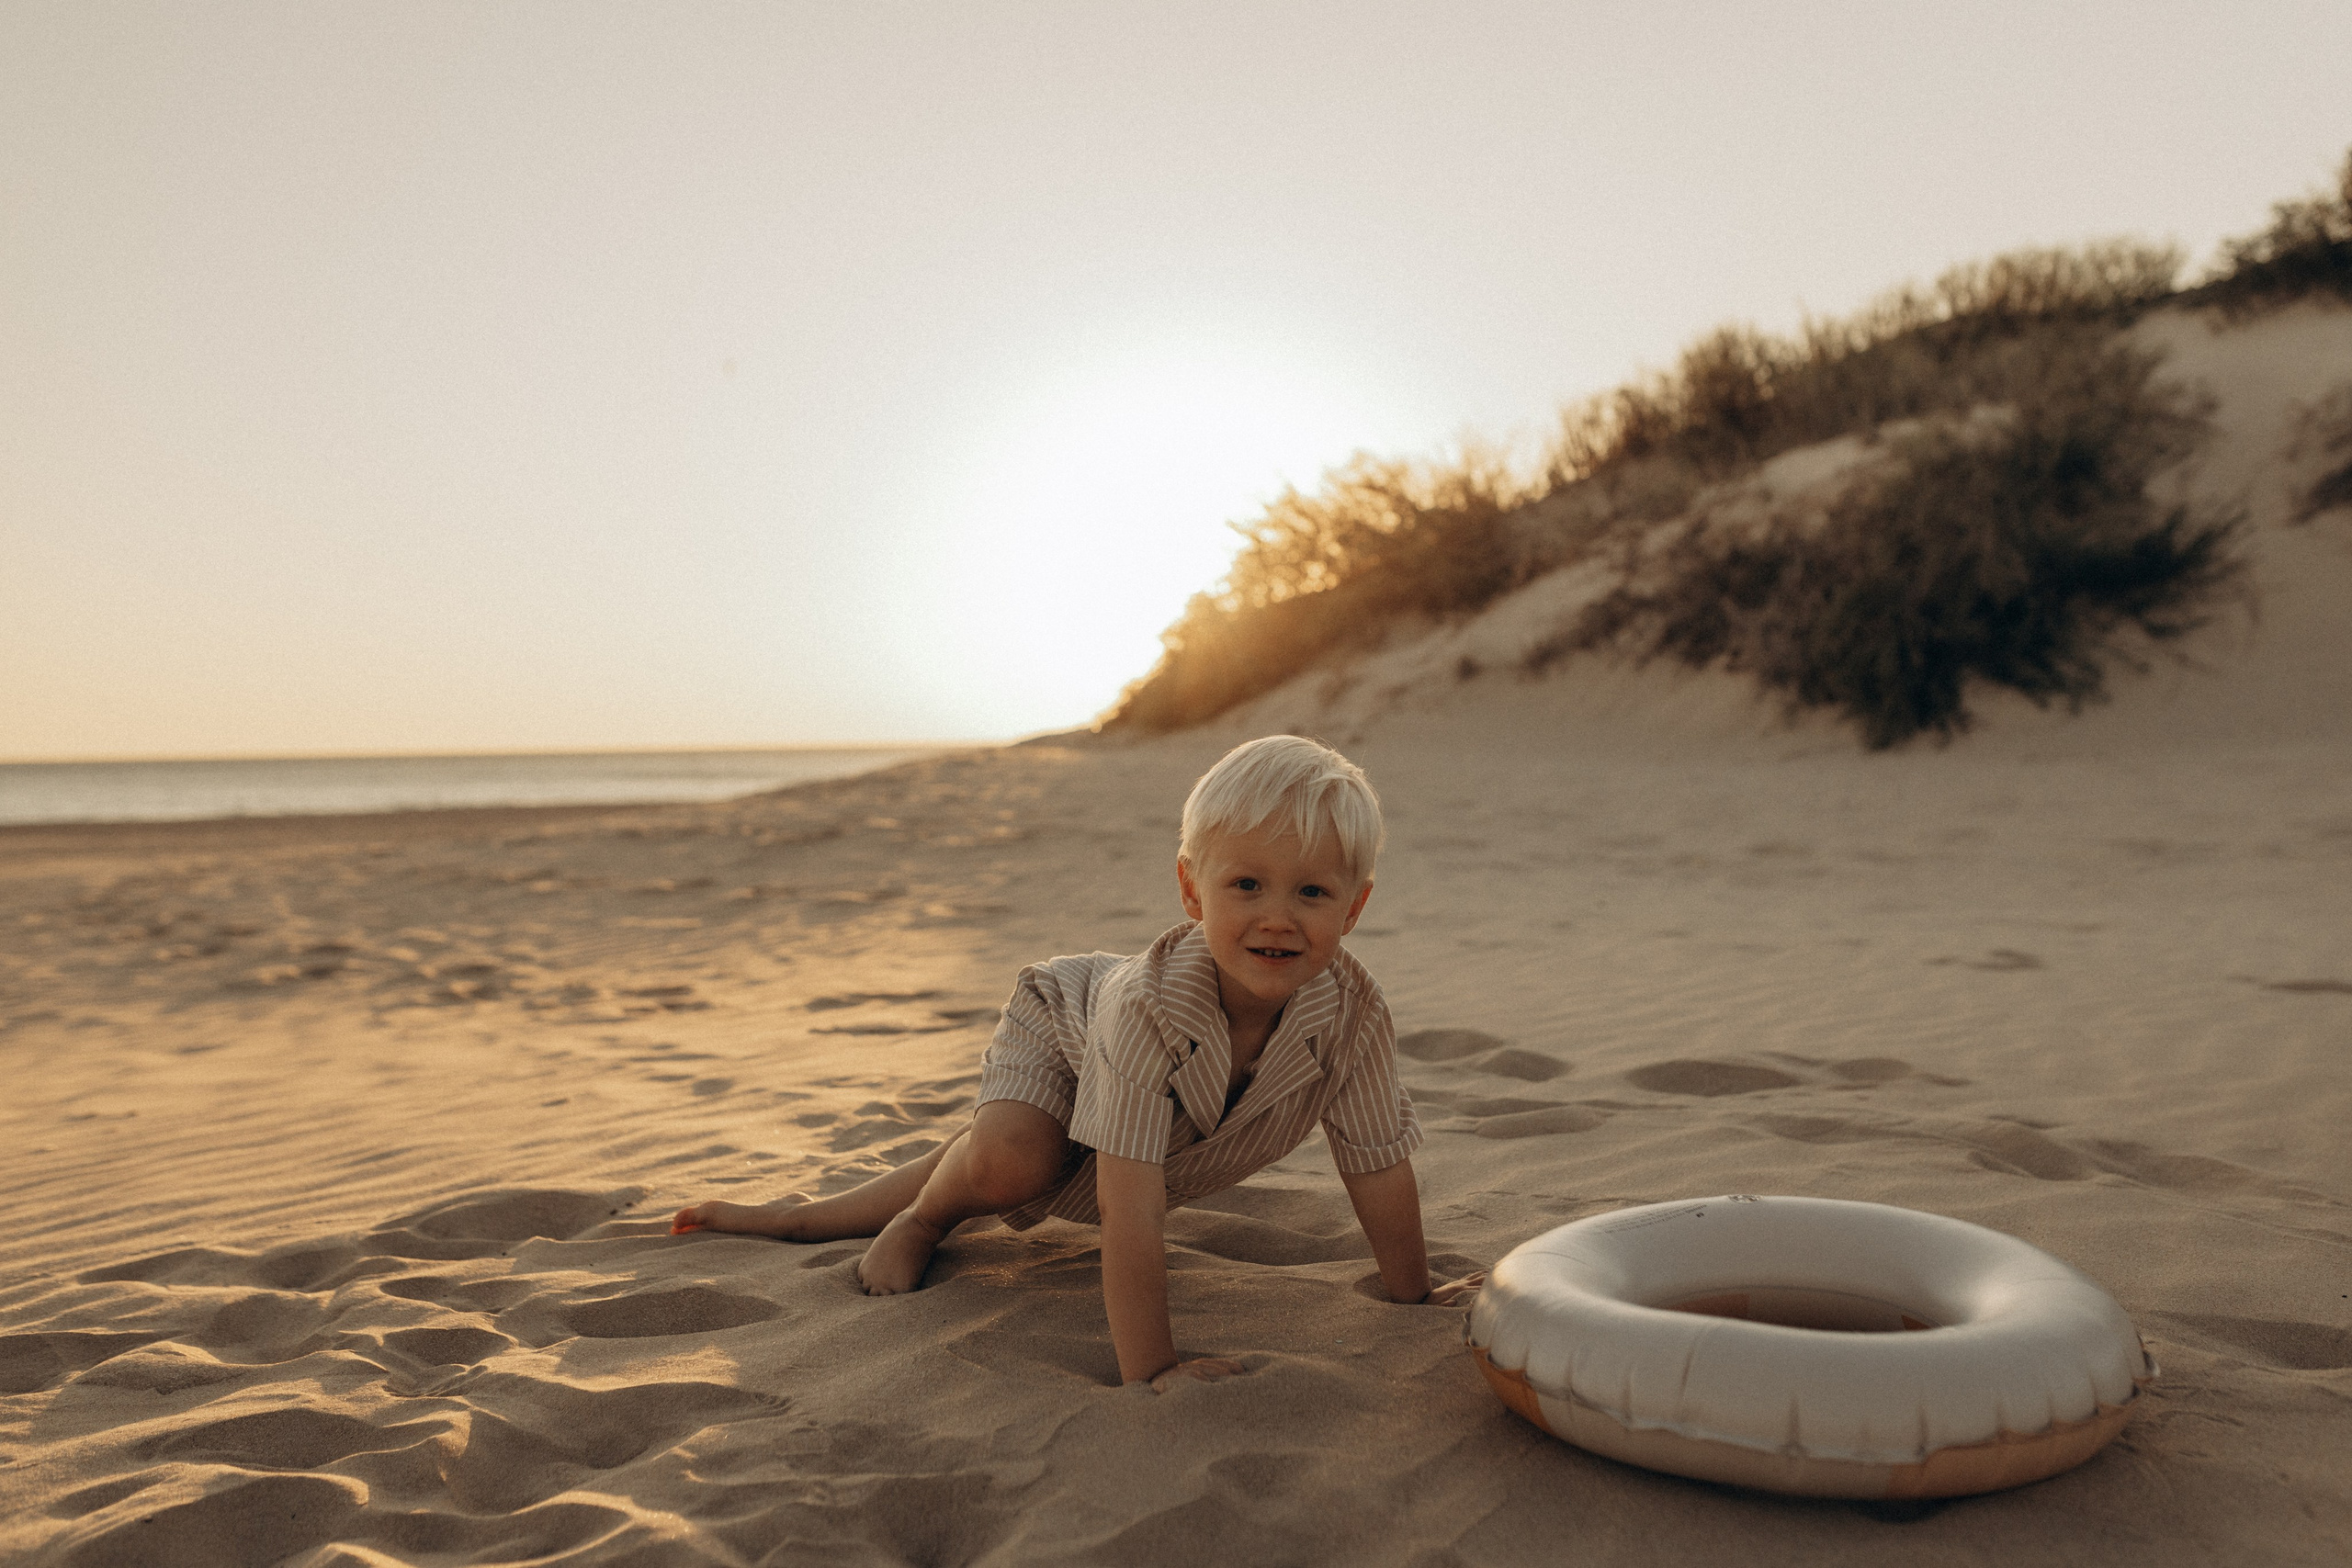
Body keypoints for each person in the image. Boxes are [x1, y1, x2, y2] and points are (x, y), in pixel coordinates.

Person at [671, 734, 1482, 1388]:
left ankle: (824, 1207)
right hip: (1066, 1024)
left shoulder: (1353, 1013)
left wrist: (1414, 1293)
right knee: (1014, 1162)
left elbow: (1378, 1166)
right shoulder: (1148, 1008)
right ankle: (921, 1217)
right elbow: (1131, 1209)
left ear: (1355, 905)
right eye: (1246, 884)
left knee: (1023, 1157)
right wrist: (1153, 1368)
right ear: (1192, 890)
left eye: (1311, 892)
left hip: (1146, 1107)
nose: (1277, 917)